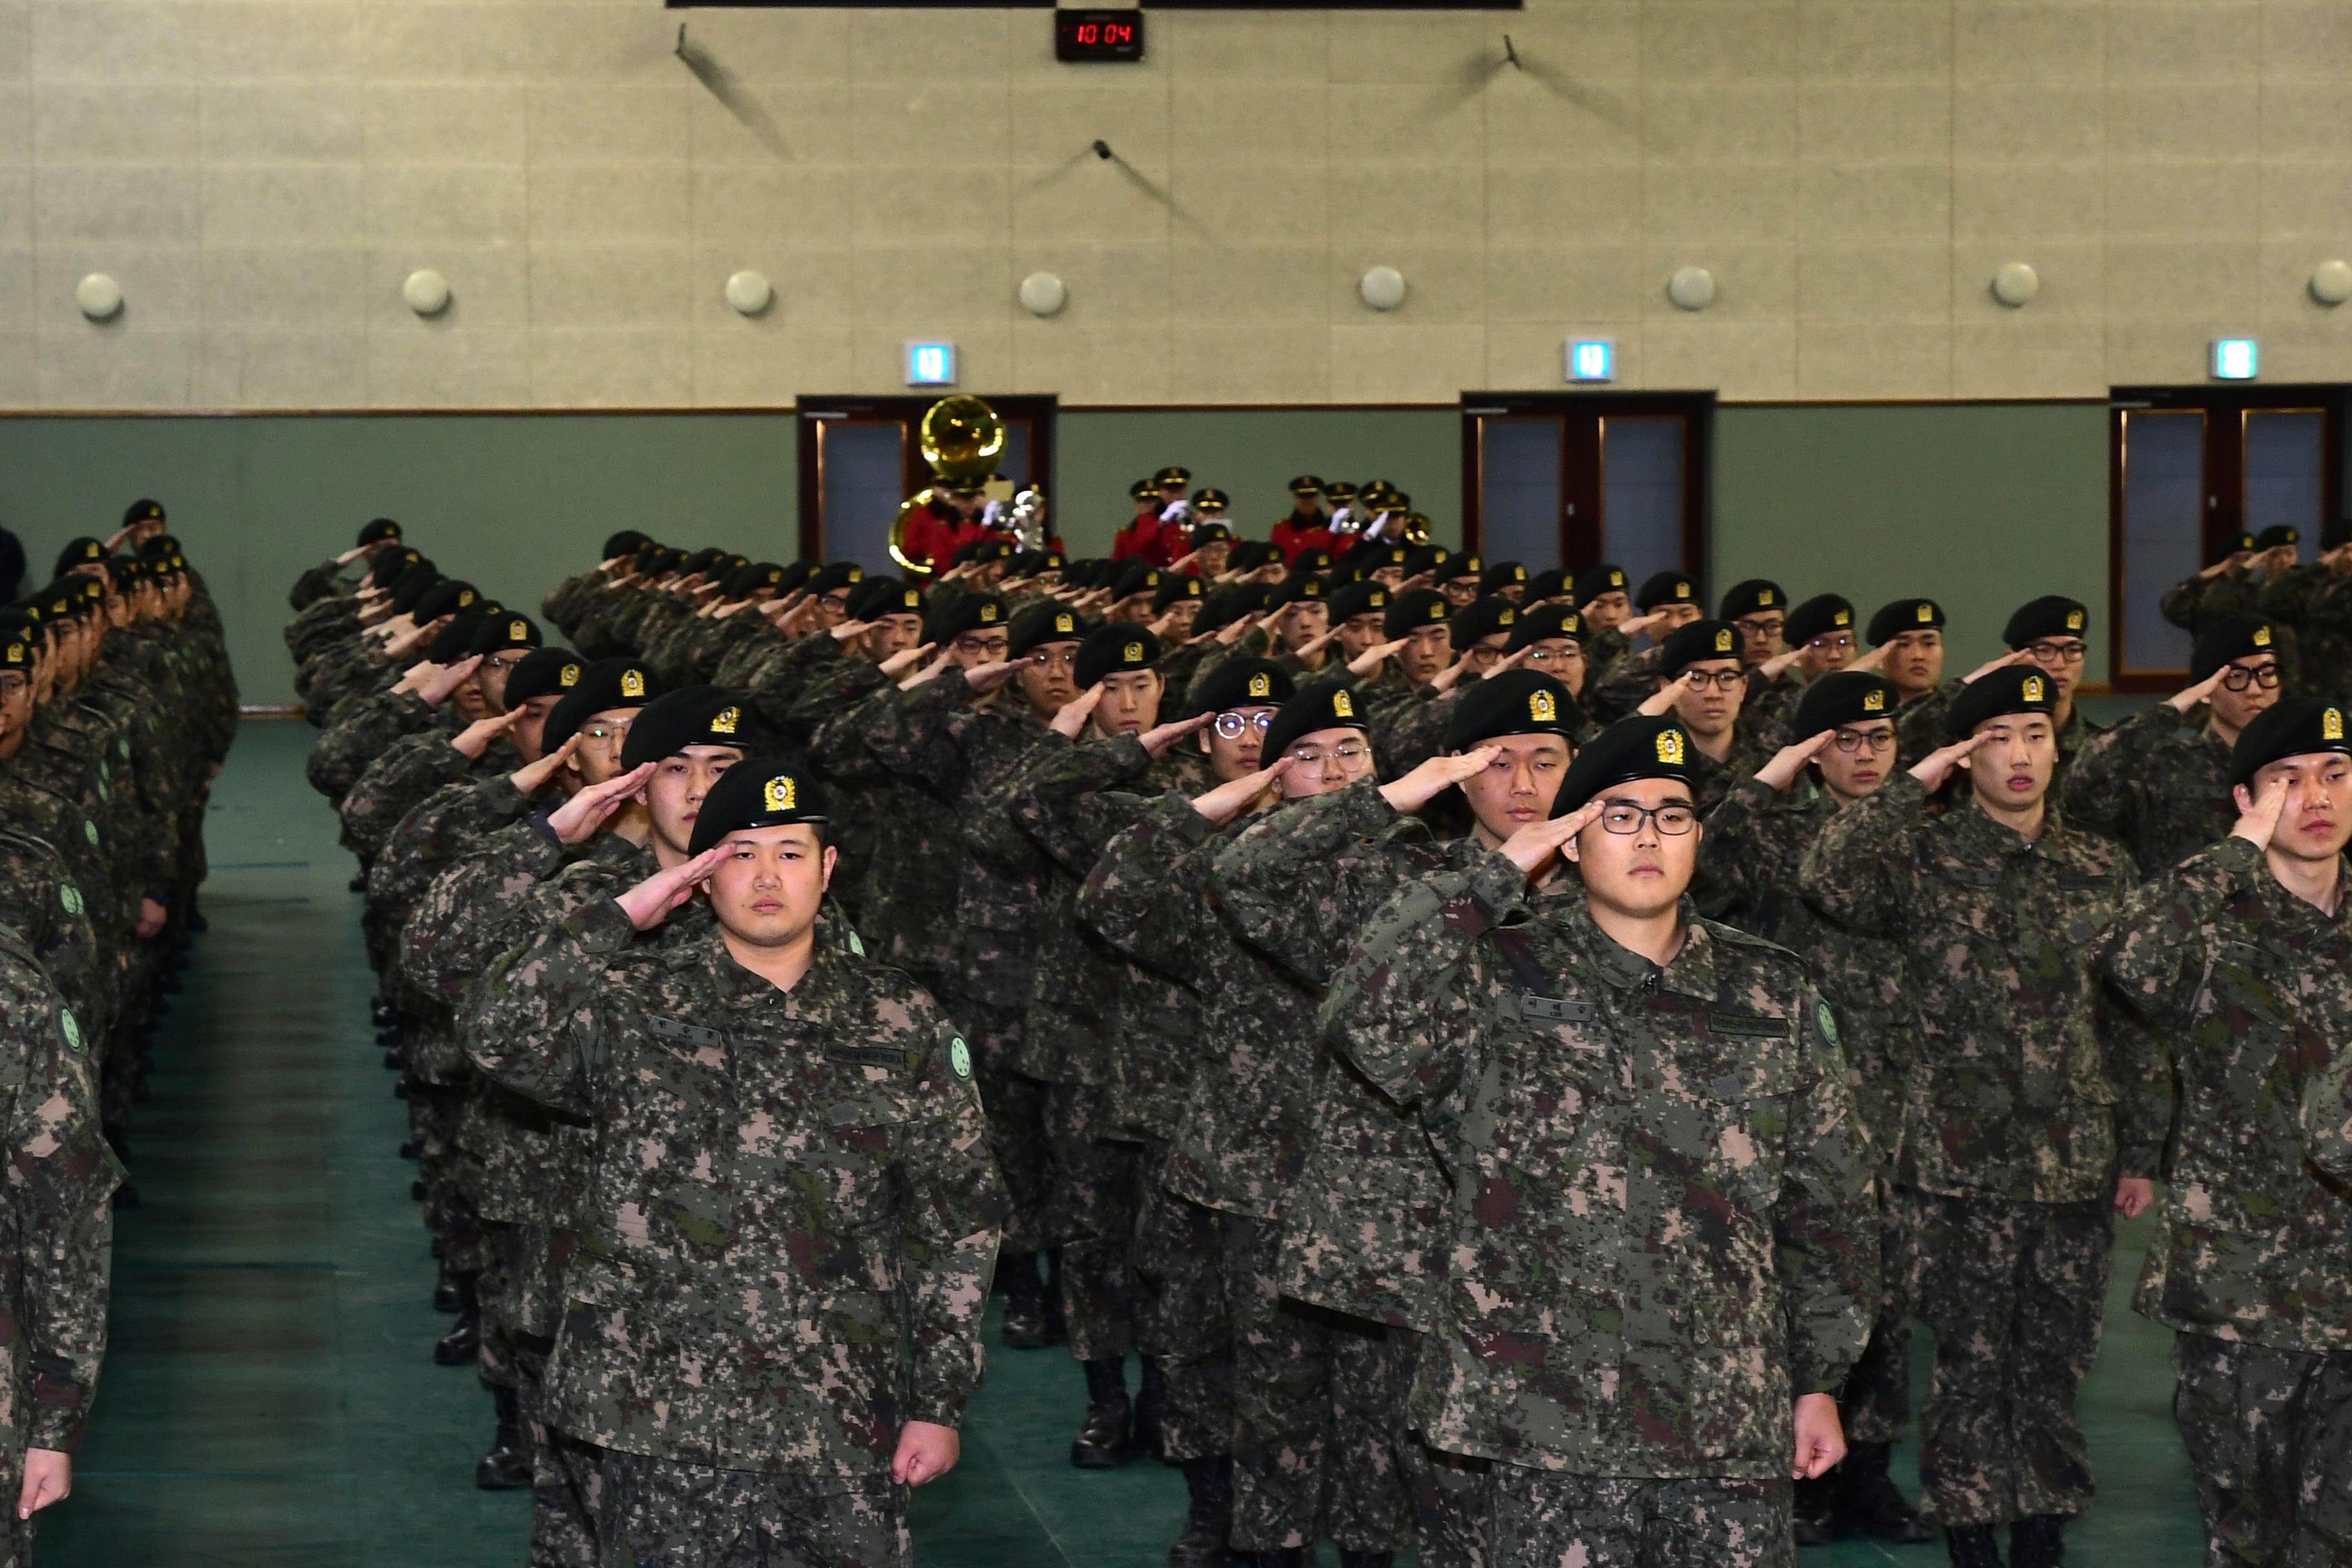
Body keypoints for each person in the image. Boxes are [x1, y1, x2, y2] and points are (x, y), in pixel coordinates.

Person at [1320, 713, 1877, 1568]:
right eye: (1619, 815)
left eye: (1672, 814)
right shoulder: (1495, 974)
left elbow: (1830, 1202)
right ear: (1572, 841)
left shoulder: (1772, 991)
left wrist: (1819, 1381)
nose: (1649, 836)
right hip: (1550, 1420)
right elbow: (1359, 1015)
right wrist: (1494, 872)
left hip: (1726, 1412)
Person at [467, 758, 1007, 1568]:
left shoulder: (901, 1020)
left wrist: (938, 1401)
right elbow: (496, 1032)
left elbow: (956, 1221)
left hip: (839, 1411)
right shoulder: (632, 1000)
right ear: (701, 869)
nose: (765, 875)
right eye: (739, 851)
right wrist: (619, 915)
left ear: (827, 870)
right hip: (658, 1414)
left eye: (790, 853)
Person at [1208, 669, 1587, 1568]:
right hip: (1412, 1242)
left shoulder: (1610, 894)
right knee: (1404, 1480)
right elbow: (1243, 875)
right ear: (1460, 774)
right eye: (1500, 765)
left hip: (1561, 1244)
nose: (1525, 787)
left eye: (1548, 762)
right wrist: (1382, 799)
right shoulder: (1397, 875)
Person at [1800, 665, 2166, 1568]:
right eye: (1995, 737)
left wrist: (2143, 1149)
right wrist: (1914, 780)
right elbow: (1827, 877)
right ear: (1967, 756)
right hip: (1955, 1166)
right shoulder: (1923, 857)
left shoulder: (2100, 865)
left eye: (2036, 736)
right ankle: (1969, 1530)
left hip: (2074, 1161)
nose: (2019, 756)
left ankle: (2041, 1528)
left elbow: (2131, 1019)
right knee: (1968, 1369)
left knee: (2052, 1369)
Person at [1079, 678, 1413, 1567]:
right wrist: (1220, 803)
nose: (1336, 771)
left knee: (1380, 1397)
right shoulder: (1232, 879)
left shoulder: (1420, 872)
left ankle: (1371, 1547)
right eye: (1307, 756)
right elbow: (1111, 898)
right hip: (1252, 1176)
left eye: (1352, 752)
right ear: (1275, 779)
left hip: (1382, 1181)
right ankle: (1252, 1533)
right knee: (1262, 1389)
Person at [2099, 697, 2352, 1568]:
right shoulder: (2206, 925)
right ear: (2246, 801)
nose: (2314, 798)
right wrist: (2237, 854)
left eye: (2334, 775)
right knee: (2246, 1540)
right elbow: (2128, 962)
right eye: (2287, 782)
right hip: (2243, 1297)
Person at [1696, 671, 1930, 1545]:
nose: (1865, 755)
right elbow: (1708, 865)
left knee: (1887, 1301)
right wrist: (1770, 776)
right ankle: (1795, 1481)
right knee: (1790, 1294)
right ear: (1813, 750)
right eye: (1846, 739)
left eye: (1880, 739)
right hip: (1787, 1109)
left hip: (1896, 1107)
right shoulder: (1773, 835)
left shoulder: (1916, 839)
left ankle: (1869, 1477)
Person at [2063, 614, 2282, 874]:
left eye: (2266, 674)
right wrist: (2169, 711)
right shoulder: (2163, 767)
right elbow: (2083, 789)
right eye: (2236, 676)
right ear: (2205, 691)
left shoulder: (2297, 771)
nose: (2255, 690)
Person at [2001, 596, 2104, 787]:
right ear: (2012, 659)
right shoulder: (1988, 747)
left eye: (2072, 650)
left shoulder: (2103, 751)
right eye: (2044, 650)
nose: (2060, 664)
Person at [1865, 597, 1954, 766]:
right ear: (1879, 657)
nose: (1918, 655)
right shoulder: (1866, 721)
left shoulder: (1959, 713)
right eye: (1904, 645)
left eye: (1929, 643)